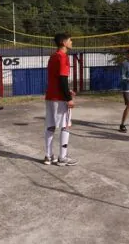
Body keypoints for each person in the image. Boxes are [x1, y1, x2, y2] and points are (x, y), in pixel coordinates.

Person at [43, 33, 78, 166]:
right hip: (59, 98)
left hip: (50, 96)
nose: (72, 42)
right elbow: (63, 79)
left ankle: (48, 156)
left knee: (50, 126)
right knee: (66, 125)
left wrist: (66, 90)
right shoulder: (63, 57)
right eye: (70, 40)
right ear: (64, 42)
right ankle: (62, 158)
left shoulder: (53, 56)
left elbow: (56, 79)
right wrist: (68, 98)